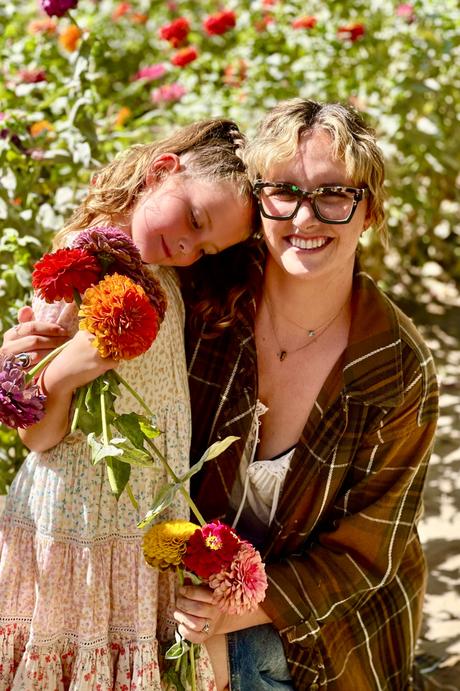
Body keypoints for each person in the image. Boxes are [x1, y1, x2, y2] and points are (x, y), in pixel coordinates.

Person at [175, 99, 439, 690]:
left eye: (333, 194)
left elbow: (364, 554)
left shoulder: (394, 369)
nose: (304, 217)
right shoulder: (211, 309)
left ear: (368, 211)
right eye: (284, 191)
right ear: (257, 199)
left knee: (227, 667)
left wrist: (228, 617)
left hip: (325, 624)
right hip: (191, 591)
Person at [0, 118, 256, 690]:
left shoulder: (163, 275)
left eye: (206, 246)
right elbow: (37, 437)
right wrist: (64, 375)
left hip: (139, 524)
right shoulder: (80, 266)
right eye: (193, 220)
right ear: (162, 170)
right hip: (78, 523)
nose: (190, 247)